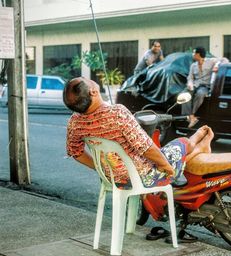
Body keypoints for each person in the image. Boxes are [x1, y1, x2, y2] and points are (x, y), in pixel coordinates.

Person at [63, 77, 214, 190]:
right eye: (85, 79)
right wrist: (167, 168)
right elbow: (146, 148)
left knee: (165, 154)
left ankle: (198, 146)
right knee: (181, 143)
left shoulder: (74, 122)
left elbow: (75, 152)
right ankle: (199, 144)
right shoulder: (117, 113)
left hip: (112, 180)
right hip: (142, 177)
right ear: (93, 92)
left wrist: (100, 167)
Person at [182, 47, 228, 128]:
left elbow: (225, 60)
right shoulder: (193, 65)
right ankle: (188, 117)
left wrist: (218, 66)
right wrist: (190, 83)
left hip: (205, 86)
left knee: (200, 94)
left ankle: (193, 114)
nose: (192, 55)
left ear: (198, 54)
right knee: (184, 94)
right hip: (195, 85)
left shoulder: (211, 61)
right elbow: (190, 77)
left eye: (194, 53)